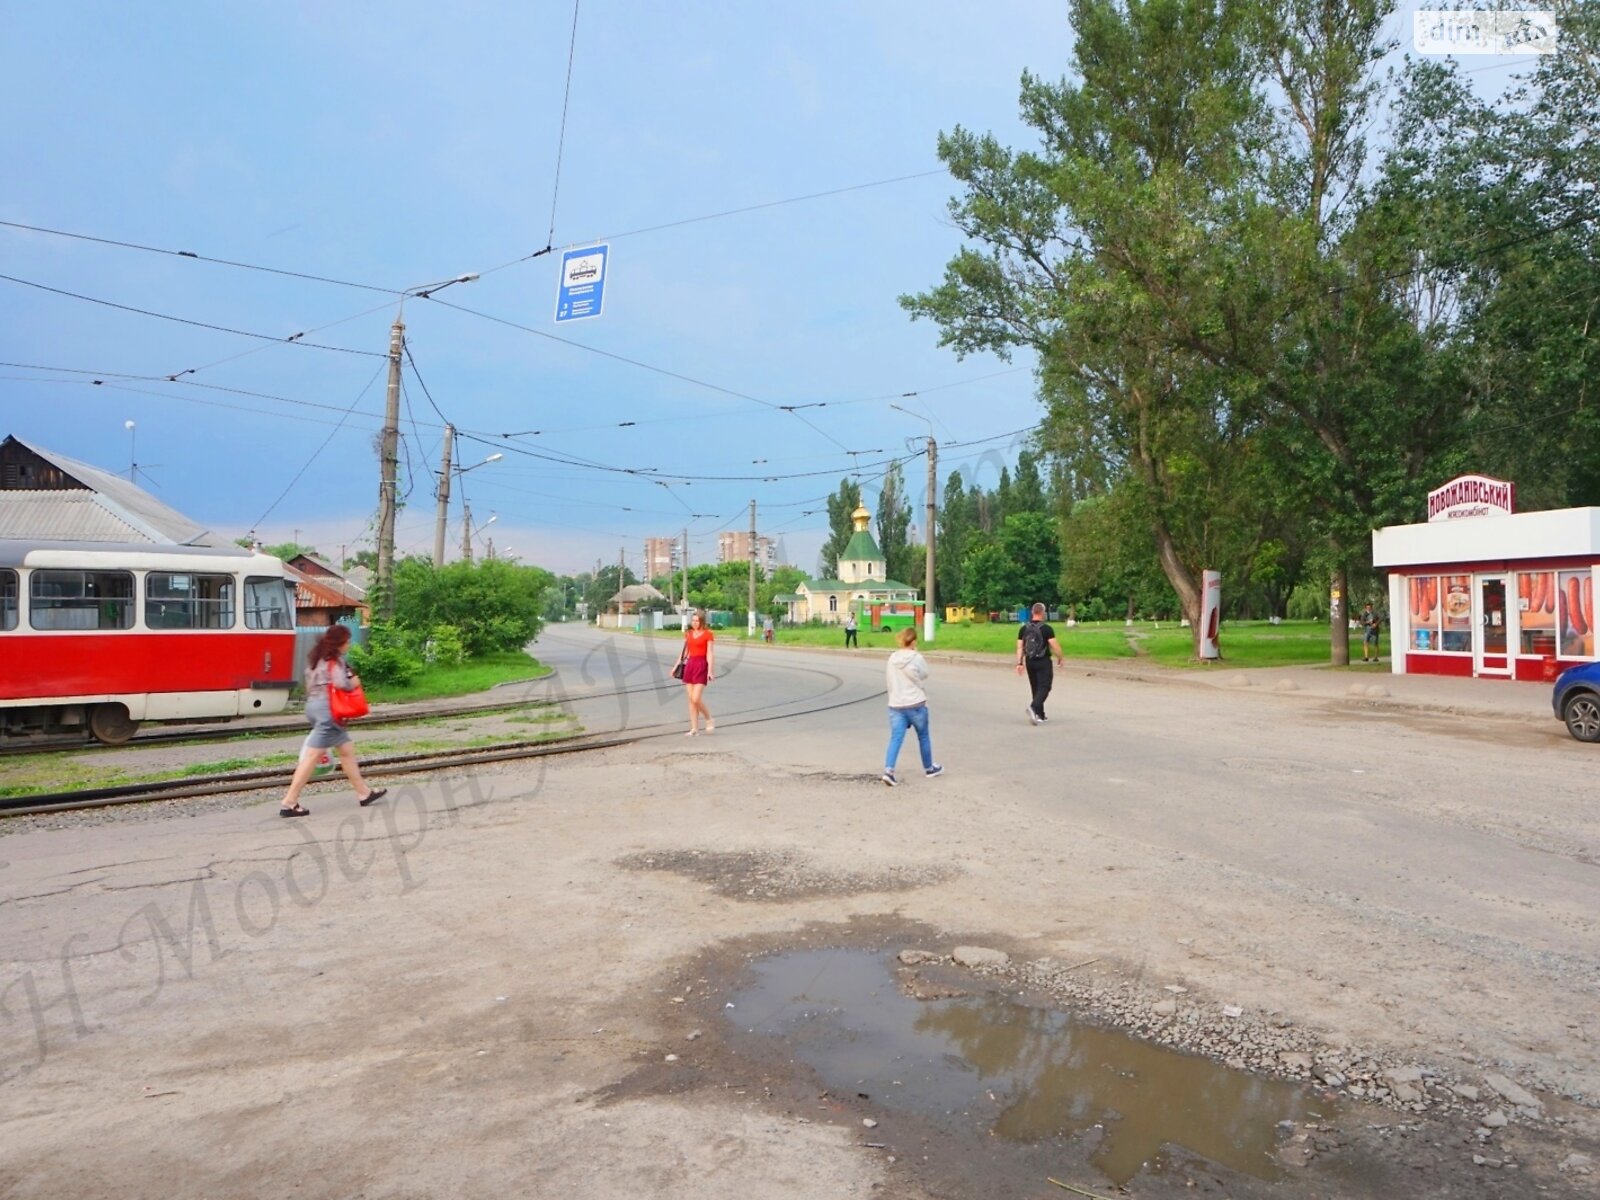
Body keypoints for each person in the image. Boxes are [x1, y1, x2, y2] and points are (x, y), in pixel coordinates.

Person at [278, 625, 385, 817]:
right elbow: (340, 683)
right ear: (340, 643)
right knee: (312, 757)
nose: (349, 645)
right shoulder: (335, 661)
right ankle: (289, 802)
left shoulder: (317, 659)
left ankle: (364, 793)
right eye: (348, 641)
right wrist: (354, 682)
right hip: (329, 711)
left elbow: (309, 684)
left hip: (314, 706)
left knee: (346, 751)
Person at [883, 627, 941, 786]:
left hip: (896, 704)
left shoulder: (892, 658)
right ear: (914, 641)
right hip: (916, 703)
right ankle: (929, 768)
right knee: (923, 736)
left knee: (896, 738)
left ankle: (889, 771)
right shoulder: (917, 658)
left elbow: (889, 679)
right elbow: (924, 675)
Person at [1016, 602, 1066, 725]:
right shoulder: (1046, 628)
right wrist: (1060, 657)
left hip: (1030, 661)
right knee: (1045, 687)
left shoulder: (1024, 629)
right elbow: (1054, 645)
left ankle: (1040, 715)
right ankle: (1033, 708)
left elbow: (1019, 647)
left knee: (1035, 687)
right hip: (1043, 661)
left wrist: (1019, 663)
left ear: (1032, 612)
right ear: (1043, 613)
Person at [682, 608, 716, 735]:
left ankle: (709, 718)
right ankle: (694, 729)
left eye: (697, 620)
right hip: (690, 665)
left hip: (701, 665)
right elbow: (686, 653)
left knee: (696, 698)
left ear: (702, 621)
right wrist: (675, 667)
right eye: (693, 620)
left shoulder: (708, 634)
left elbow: (710, 653)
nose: (695, 623)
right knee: (691, 699)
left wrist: (710, 671)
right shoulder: (689, 634)